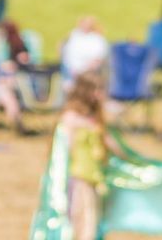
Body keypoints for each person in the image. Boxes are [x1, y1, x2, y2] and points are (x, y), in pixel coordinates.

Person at [58, 70, 126, 240]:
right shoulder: (71, 117)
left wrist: (133, 161)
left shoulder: (94, 116)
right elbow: (64, 149)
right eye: (98, 89)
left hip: (95, 174)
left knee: (93, 219)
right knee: (82, 219)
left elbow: (110, 143)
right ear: (85, 91)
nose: (101, 94)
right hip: (78, 176)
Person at [61, 16, 110, 89]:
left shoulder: (97, 39)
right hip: (71, 70)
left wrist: (85, 71)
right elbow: (64, 49)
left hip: (88, 71)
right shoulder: (74, 35)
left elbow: (99, 58)